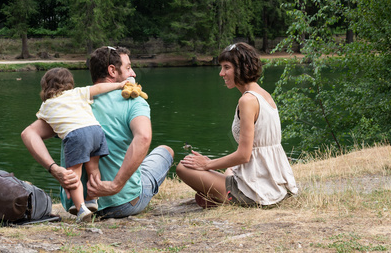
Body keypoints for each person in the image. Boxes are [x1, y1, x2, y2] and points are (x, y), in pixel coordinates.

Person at [21, 46, 174, 219]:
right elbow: (144, 137)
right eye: (129, 68)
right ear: (112, 70)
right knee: (165, 151)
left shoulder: (70, 104)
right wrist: (115, 185)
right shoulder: (133, 100)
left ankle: (83, 206)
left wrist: (54, 169)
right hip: (123, 203)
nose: (134, 74)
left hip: (77, 206)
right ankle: (117, 189)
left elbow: (28, 134)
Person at [177, 42, 298, 207]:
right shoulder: (264, 94)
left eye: (226, 67)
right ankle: (215, 195)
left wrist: (208, 164)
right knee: (229, 170)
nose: (221, 73)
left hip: (257, 187)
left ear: (242, 68)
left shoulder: (247, 100)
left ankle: (221, 198)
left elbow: (244, 155)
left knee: (183, 168)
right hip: (271, 179)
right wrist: (210, 163)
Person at [35, 67, 124, 222]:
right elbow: (99, 88)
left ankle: (81, 209)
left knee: (73, 174)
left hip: (76, 135)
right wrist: (119, 85)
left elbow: (44, 124)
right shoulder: (77, 93)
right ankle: (92, 199)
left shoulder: (46, 106)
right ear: (70, 83)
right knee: (93, 169)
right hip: (96, 131)